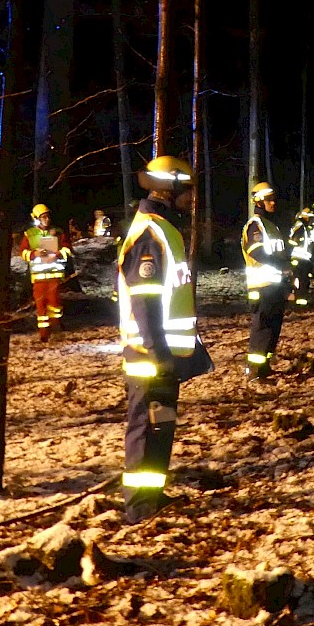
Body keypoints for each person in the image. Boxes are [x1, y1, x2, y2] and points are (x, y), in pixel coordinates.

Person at [117, 155, 212, 521]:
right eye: (187, 190)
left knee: (161, 425)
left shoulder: (163, 229)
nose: (191, 197)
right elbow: (145, 300)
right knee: (145, 428)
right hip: (149, 353)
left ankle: (152, 498)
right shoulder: (150, 233)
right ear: (170, 189)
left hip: (165, 354)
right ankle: (138, 507)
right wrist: (157, 352)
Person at [241, 181, 290, 380]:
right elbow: (257, 252)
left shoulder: (272, 226)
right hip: (263, 285)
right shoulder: (255, 225)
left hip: (276, 285)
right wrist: (281, 265)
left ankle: (265, 366)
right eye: (269, 199)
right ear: (258, 201)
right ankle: (254, 371)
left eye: (273, 199)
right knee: (262, 329)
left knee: (273, 328)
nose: (273, 203)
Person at [20, 203, 74, 342]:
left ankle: (56, 329)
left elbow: (68, 249)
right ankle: (44, 333)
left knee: (55, 304)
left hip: (54, 276)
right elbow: (23, 252)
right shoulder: (29, 234)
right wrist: (34, 254)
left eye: (48, 216)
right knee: (40, 307)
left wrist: (59, 254)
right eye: (43, 217)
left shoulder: (58, 232)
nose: (47, 219)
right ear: (36, 218)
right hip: (38, 278)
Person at [288, 206, 314, 307]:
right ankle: (299, 301)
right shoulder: (300, 225)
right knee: (301, 279)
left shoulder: (304, 227)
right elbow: (293, 240)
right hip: (299, 257)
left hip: (302, 258)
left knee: (301, 279)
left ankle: (298, 300)